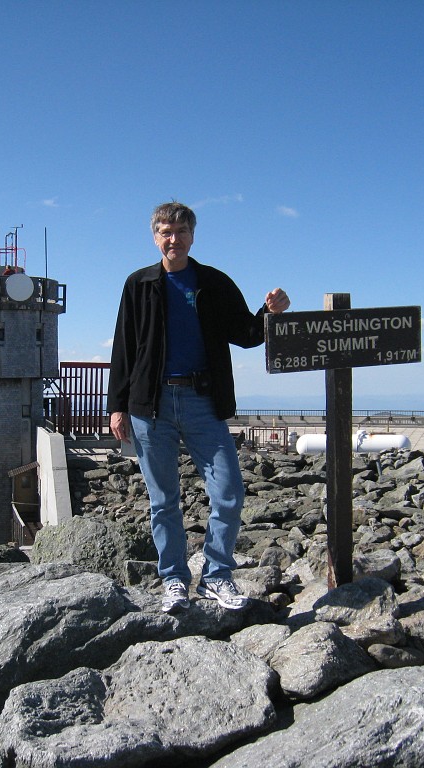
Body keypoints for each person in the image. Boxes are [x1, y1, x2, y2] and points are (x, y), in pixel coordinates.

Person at [107, 201, 290, 614]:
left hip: (203, 401)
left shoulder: (213, 282)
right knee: (163, 501)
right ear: (155, 237)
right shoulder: (138, 284)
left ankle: (216, 575)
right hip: (150, 406)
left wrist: (270, 312)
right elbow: (124, 347)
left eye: (181, 232)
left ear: (192, 236)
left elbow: (246, 333)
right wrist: (117, 406)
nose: (173, 239)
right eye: (166, 232)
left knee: (229, 492)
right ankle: (174, 579)